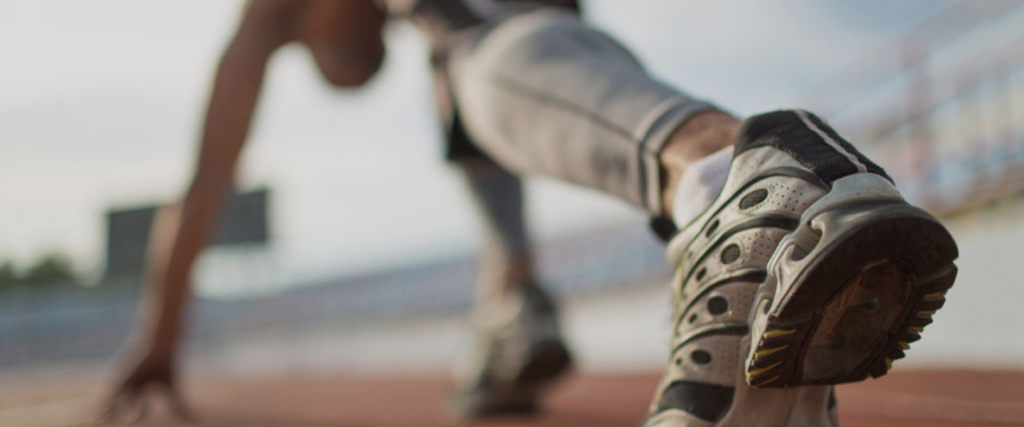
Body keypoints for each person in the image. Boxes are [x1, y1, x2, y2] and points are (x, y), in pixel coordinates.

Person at [104, 1, 961, 426]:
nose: (349, 63)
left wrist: (160, 336)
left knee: (470, 54)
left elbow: (205, 182)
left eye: (330, 54)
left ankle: (736, 179)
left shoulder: (268, 15)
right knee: (457, 74)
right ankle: (522, 294)